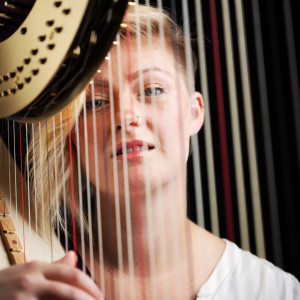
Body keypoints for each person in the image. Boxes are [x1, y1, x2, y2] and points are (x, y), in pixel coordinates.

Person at [0, 4, 299, 300]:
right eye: (96, 102)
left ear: (195, 112)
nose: (126, 116)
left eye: (152, 90)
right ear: (73, 134)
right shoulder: (33, 277)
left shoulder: (277, 292)